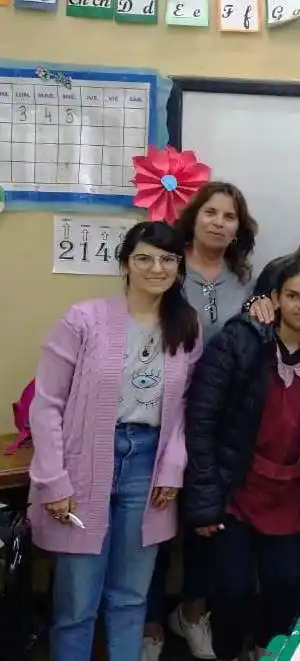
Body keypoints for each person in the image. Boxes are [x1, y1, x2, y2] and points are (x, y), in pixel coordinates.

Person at [28, 222, 202, 661]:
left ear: (179, 268)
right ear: (125, 264)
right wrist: (53, 480)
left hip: (147, 464)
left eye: (167, 259)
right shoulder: (83, 319)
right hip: (84, 462)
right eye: (144, 258)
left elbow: (185, 408)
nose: (156, 267)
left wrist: (172, 468)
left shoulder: (186, 327)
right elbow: (46, 404)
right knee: (76, 602)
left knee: (130, 598)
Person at [182, 257, 300, 661]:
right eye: (293, 296)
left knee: (284, 587)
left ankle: (270, 652)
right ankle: (229, 652)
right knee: (232, 589)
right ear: (275, 300)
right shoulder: (239, 341)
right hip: (236, 492)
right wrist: (205, 499)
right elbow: (200, 420)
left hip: (290, 495)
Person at [146, 181, 259, 661]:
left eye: (229, 217)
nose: (219, 222)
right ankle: (150, 625)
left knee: (207, 523)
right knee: (152, 525)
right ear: (193, 217)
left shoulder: (245, 280)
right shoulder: (165, 267)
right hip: (162, 416)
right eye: (211, 213)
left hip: (217, 425)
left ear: (239, 228)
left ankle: (191, 612)